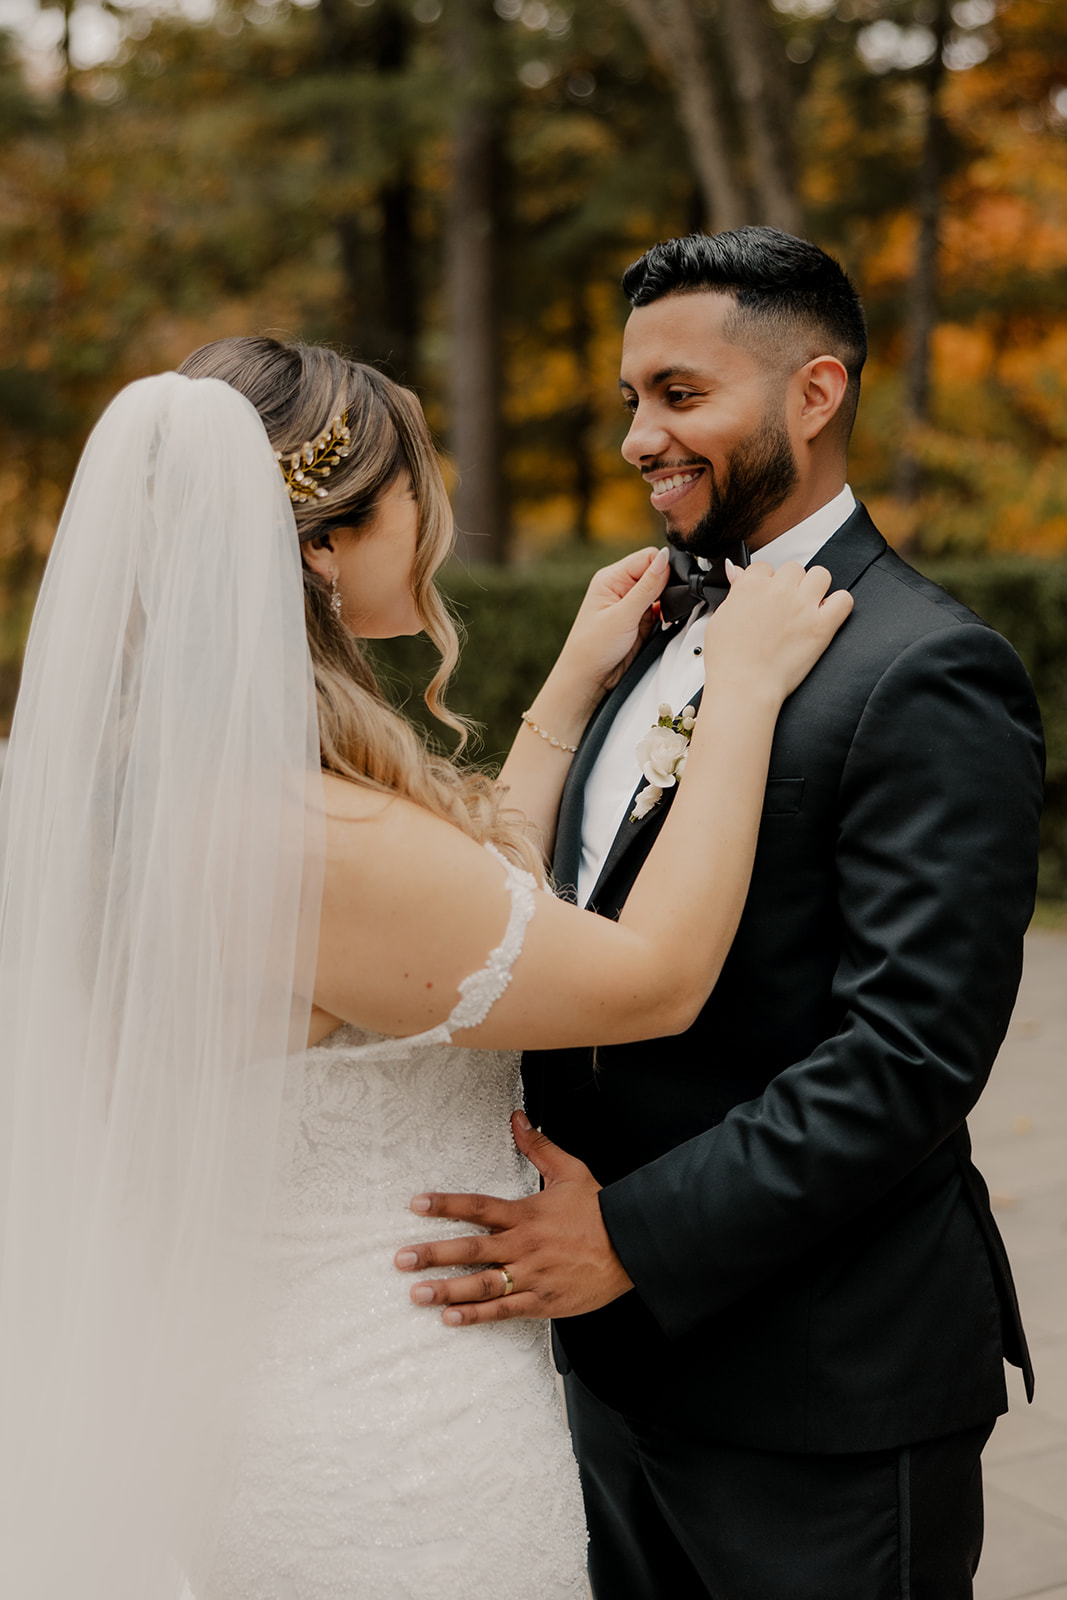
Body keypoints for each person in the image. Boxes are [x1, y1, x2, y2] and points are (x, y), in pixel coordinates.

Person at [0, 335, 850, 1599]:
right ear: (321, 544)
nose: (433, 520)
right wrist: (739, 693)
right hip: (388, 1449)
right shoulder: (306, 828)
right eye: (414, 487)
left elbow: (457, 924)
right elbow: (650, 976)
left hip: (238, 1398)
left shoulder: (151, 788)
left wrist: (566, 688)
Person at [397, 229, 1047, 1600]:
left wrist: (624, 1237)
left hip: (815, 1390)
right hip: (603, 1366)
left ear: (812, 396)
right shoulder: (636, 623)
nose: (639, 437)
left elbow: (907, 1060)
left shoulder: (927, 668)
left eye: (679, 397)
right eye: (630, 399)